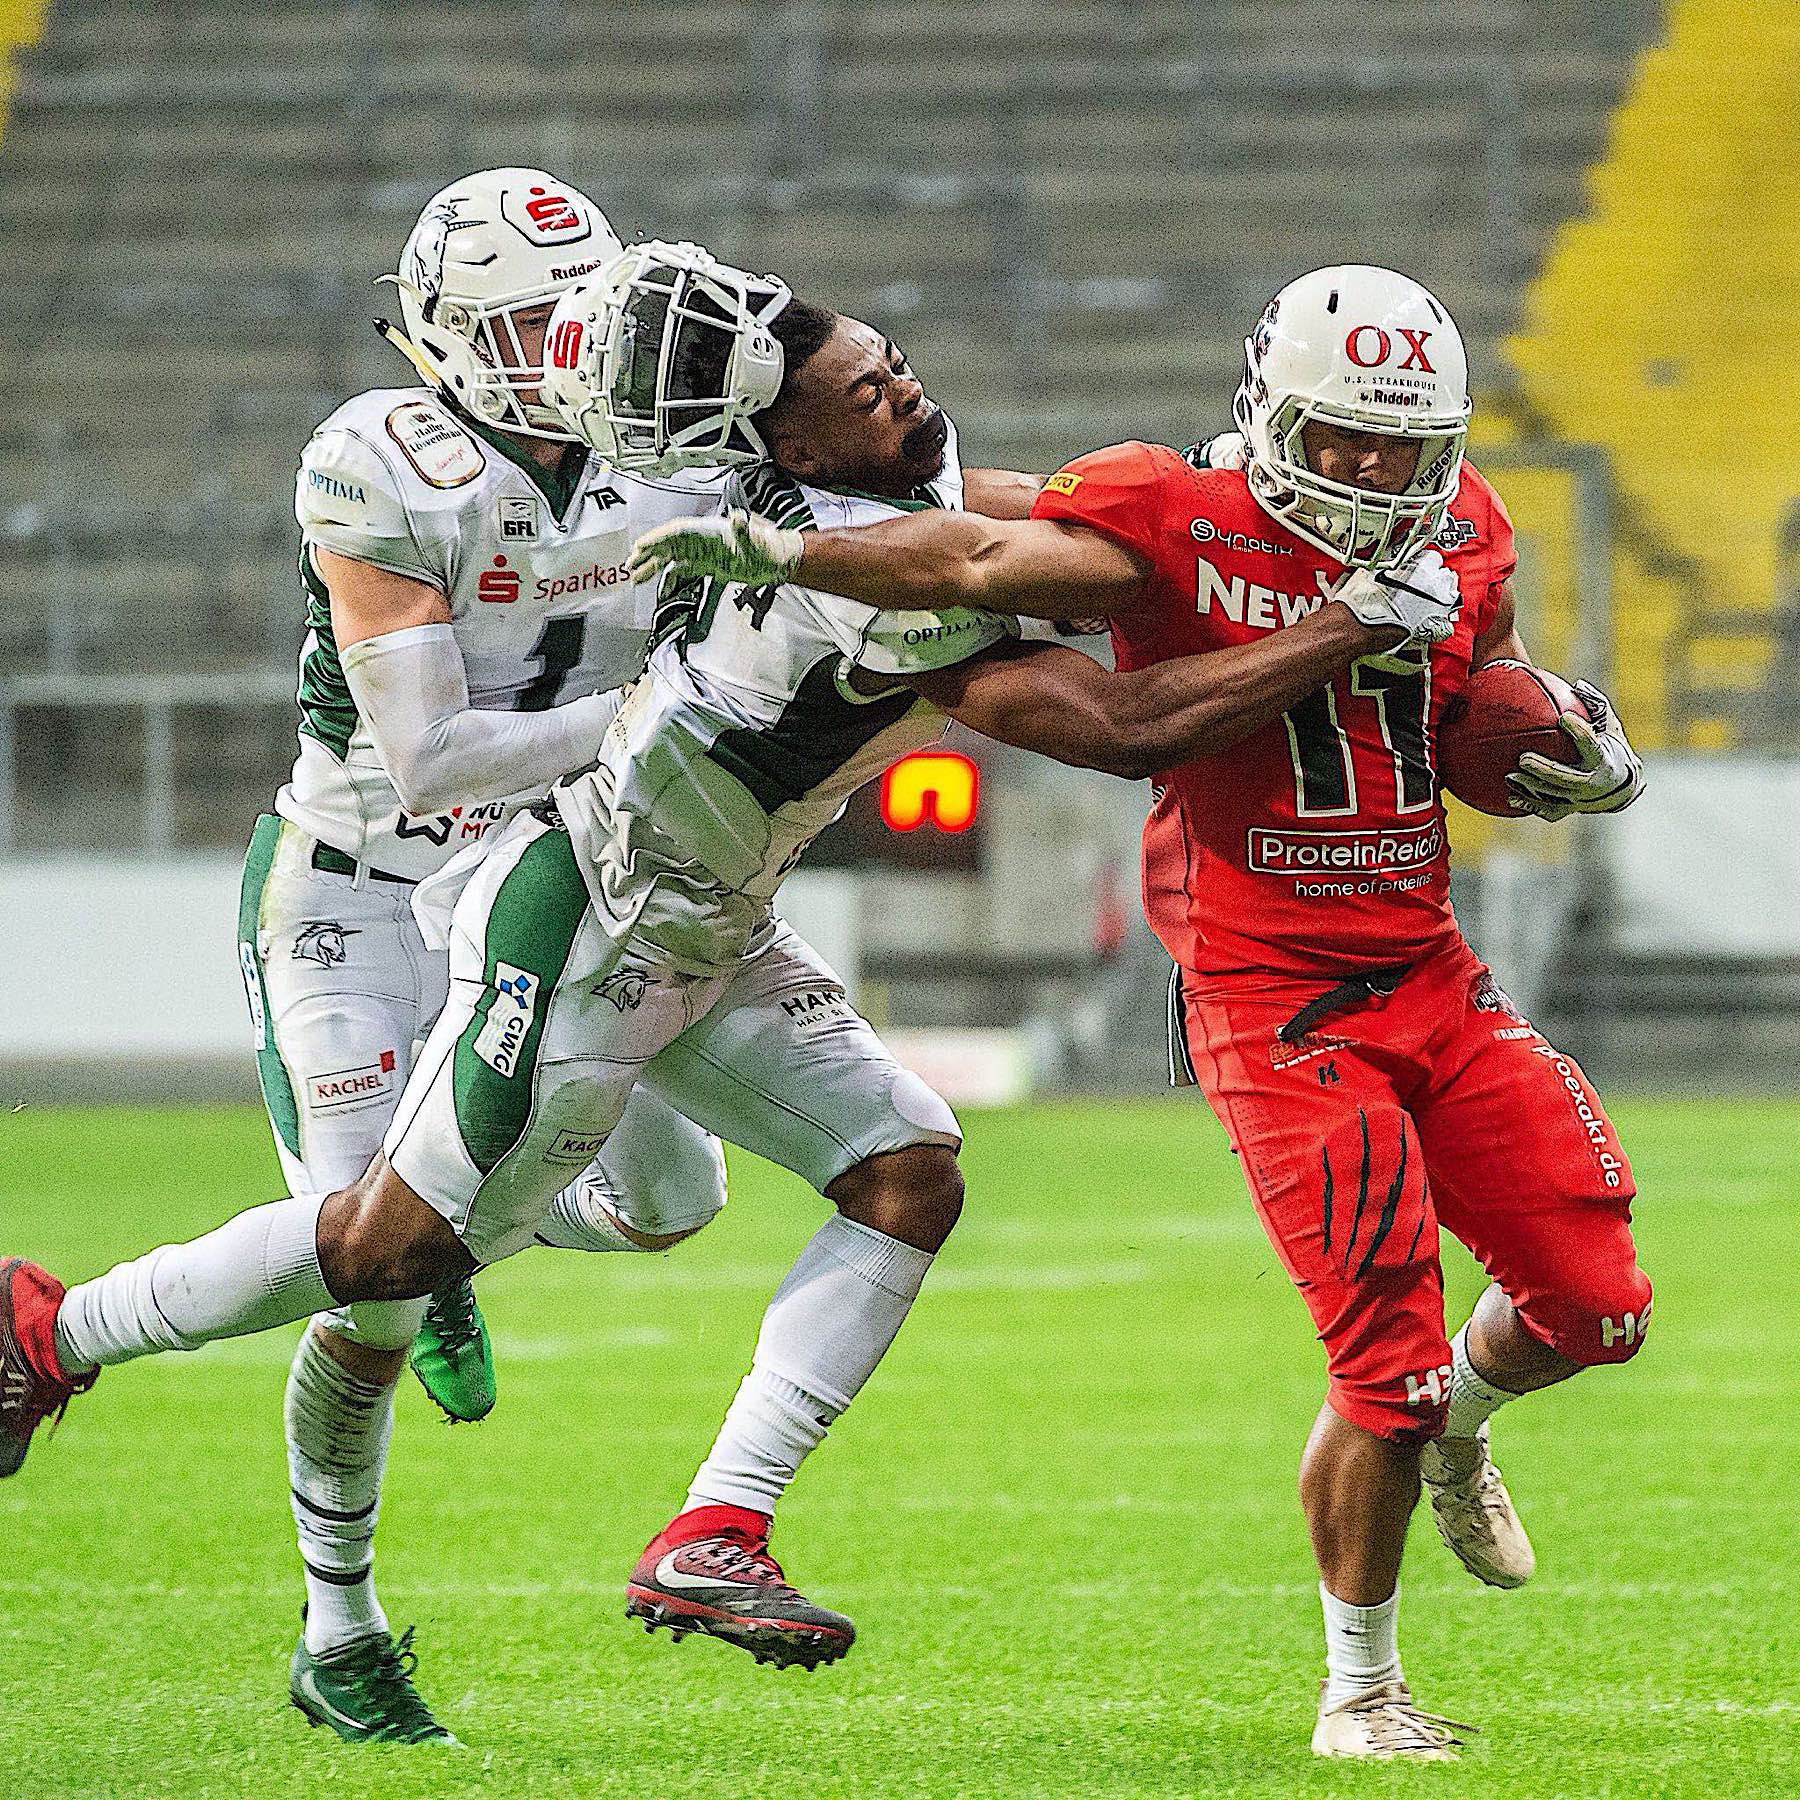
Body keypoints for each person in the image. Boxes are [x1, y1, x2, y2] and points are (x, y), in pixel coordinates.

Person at [0, 252, 1460, 1745]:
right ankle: (53, 1332)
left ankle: (717, 1533)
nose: (899, 386)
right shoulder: (844, 569)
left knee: (907, 1171)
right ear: (791, 453)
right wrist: (1348, 612)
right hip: (593, 925)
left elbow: (1028, 514)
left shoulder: (883, 476)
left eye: (886, 360)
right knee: (388, 1252)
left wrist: (1233, 497)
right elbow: (1125, 711)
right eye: (860, 391)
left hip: (720, 919)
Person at [628, 264, 1651, 1763]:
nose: (1377, 471)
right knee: (1388, 1360)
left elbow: (1468, 701)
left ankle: (1459, 1443)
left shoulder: (1471, 522)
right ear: (1272, 412)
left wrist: (1564, 742)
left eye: (1403, 441)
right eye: (1346, 437)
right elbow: (976, 559)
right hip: (1279, 1000)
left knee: (1598, 1309)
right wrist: (790, 552)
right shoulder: (1181, 518)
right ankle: (1359, 1694)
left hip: (1434, 969)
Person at [241, 166, 751, 1743]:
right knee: (364, 1279)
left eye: (575, 312)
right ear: (447, 337)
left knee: (677, 1201)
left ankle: (459, 1226)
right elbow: (434, 759)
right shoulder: (384, 461)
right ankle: (343, 1633)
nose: (561, 346)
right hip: (357, 889)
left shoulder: (666, 448)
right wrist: (669, 721)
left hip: (556, 877)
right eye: (523, 321)